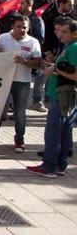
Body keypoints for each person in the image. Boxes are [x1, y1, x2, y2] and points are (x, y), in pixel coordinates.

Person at [0, 15, 42, 152]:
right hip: (4, 80)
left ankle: (19, 140)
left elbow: (38, 63)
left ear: (28, 28)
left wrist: (24, 62)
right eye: (18, 26)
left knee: (20, 113)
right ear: (12, 27)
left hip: (23, 82)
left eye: (24, 27)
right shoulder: (3, 38)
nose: (21, 30)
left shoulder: (33, 42)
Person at [27, 17, 77, 178]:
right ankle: (60, 165)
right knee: (64, 131)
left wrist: (53, 70)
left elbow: (75, 74)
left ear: (74, 34)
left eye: (64, 31)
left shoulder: (74, 48)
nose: (59, 34)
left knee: (54, 132)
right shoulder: (69, 46)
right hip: (63, 94)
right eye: (58, 30)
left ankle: (48, 167)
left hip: (63, 95)